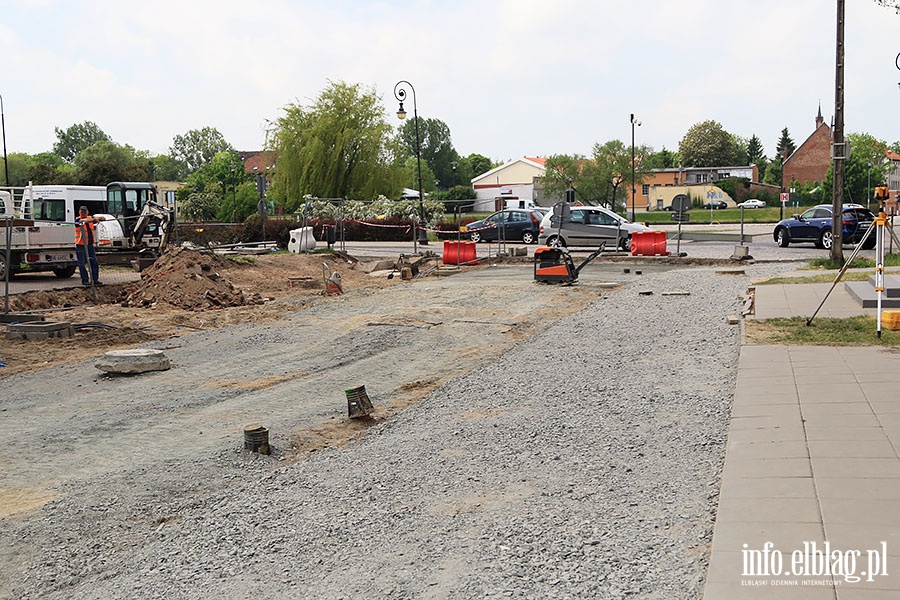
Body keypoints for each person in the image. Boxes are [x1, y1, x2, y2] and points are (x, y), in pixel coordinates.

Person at [74, 206, 105, 286]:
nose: (82, 213)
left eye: (84, 211)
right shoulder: (77, 219)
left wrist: (97, 218)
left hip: (90, 245)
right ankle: (85, 280)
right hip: (80, 245)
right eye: (81, 211)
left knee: (94, 262)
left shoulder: (91, 218)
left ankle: (95, 280)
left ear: (87, 212)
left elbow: (103, 218)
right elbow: (82, 221)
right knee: (82, 264)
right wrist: (94, 219)